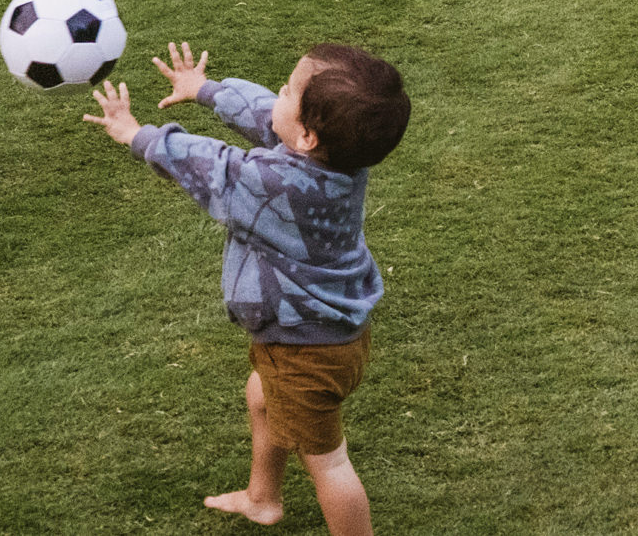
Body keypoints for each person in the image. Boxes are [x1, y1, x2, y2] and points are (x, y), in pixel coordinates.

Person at [84, 42, 413, 534]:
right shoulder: (337, 161)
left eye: (287, 91)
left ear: (305, 135)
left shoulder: (274, 185)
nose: (276, 94)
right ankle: (263, 498)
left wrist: (136, 134)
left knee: (329, 463)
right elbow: (267, 117)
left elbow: (211, 165)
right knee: (260, 396)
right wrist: (206, 91)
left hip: (307, 349)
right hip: (320, 334)